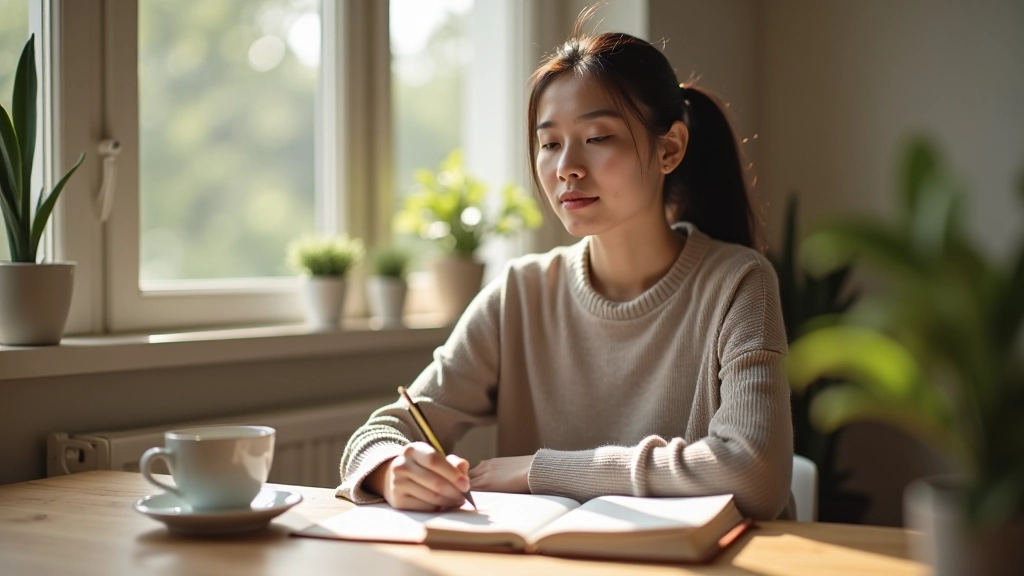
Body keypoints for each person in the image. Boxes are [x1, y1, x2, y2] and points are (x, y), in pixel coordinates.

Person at [338, 27, 794, 521]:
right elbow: (381, 432)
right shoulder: (521, 293)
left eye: (598, 137)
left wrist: (542, 471)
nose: (567, 168)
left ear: (670, 149)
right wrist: (390, 468)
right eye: (550, 143)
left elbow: (754, 472)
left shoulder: (739, 282)